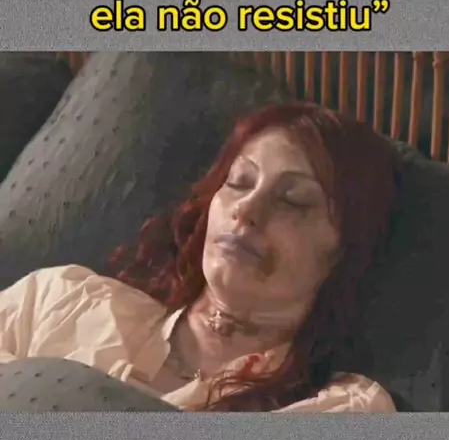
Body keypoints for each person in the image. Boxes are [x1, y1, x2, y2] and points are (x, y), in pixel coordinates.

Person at [0, 101, 401, 412]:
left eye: (294, 201)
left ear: (343, 253)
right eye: (239, 182)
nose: (246, 210)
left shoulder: (340, 410)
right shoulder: (60, 300)